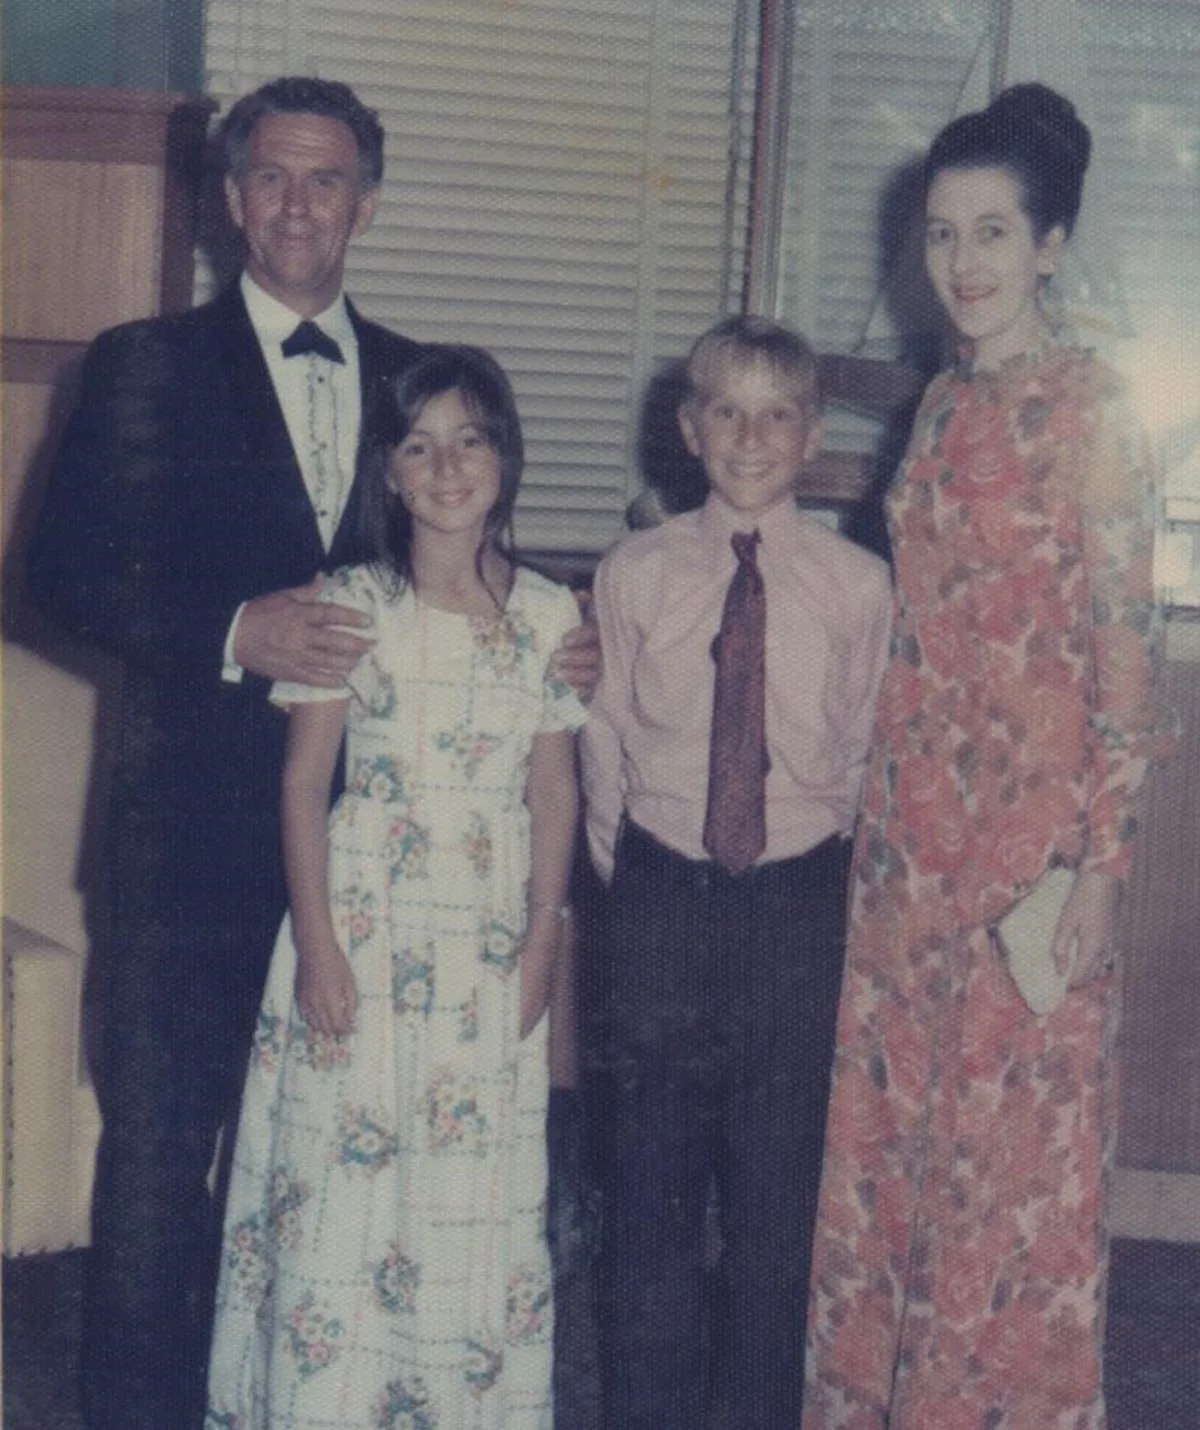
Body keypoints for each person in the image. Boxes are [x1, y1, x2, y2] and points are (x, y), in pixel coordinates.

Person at [25, 77, 598, 1430]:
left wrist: (568, 645)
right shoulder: (142, 360)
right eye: (272, 177)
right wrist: (235, 627)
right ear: (231, 199)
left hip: (390, 893)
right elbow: (59, 570)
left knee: (350, 1189)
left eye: (326, 179)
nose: (297, 205)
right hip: (187, 849)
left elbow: (469, 546)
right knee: (160, 1181)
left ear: (367, 204)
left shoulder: (413, 375)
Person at [802, 84, 1173, 1430]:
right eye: (942, 232)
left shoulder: (1094, 409)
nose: (962, 262)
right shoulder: (944, 404)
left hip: (1031, 847)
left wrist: (1100, 867)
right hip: (911, 834)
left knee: (1005, 1167)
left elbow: (1125, 657)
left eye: (994, 232)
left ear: (1052, 246)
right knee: (900, 1147)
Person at [205, 344, 585, 1429]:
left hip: (487, 947)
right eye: (419, 446)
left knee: (465, 1194)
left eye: (470, 440)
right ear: (389, 473)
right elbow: (302, 784)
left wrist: (545, 938)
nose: (447, 466)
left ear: (506, 458)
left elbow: (554, 793)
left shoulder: (551, 617)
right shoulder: (350, 605)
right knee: (343, 1187)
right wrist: (320, 944)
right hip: (362, 934)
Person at [580, 315, 893, 1429]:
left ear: (812, 436)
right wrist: (635, 877)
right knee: (650, 1187)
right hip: (662, 895)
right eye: (727, 411)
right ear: (688, 427)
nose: (751, 437)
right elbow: (605, 736)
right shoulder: (635, 572)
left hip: (795, 905)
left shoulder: (858, 586)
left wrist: (814, 873)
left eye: (778, 415)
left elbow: (861, 749)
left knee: (776, 1196)